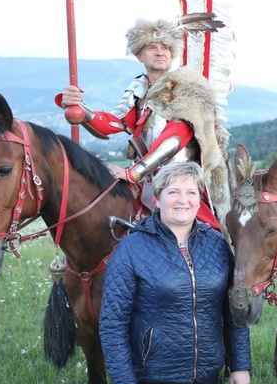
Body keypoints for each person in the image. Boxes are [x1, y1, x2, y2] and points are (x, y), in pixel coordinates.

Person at [100, 161, 251, 384]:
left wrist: (240, 365)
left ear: (200, 198)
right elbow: (112, 322)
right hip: (153, 374)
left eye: (191, 191)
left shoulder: (218, 245)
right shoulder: (132, 249)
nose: (183, 199)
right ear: (157, 198)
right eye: (173, 192)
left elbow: (233, 311)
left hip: (204, 372)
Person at [56, 17, 226, 231]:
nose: (160, 52)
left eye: (165, 47)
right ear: (139, 55)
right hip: (144, 179)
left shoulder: (188, 87)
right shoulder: (140, 88)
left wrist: (132, 172)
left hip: (181, 177)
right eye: (152, 47)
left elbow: (174, 138)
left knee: (203, 233)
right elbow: (116, 123)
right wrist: (80, 109)